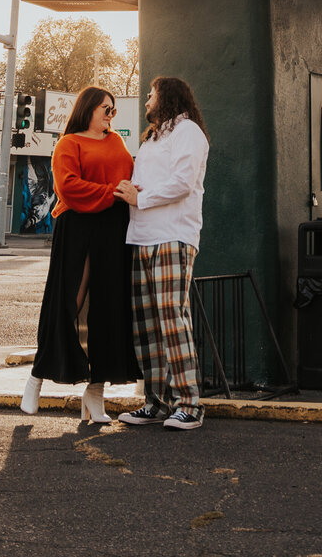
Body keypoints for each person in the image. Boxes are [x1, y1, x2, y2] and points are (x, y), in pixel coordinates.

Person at [21, 86, 140, 423]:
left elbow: (129, 178)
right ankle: (35, 379)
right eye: (106, 108)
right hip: (79, 228)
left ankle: (95, 393)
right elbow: (67, 187)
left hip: (114, 229)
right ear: (88, 108)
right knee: (69, 301)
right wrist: (112, 193)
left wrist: (126, 193)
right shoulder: (69, 144)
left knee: (108, 306)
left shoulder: (116, 142)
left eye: (113, 110)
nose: (110, 115)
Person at [116, 75, 210, 431]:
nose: (146, 101)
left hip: (173, 235)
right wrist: (132, 189)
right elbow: (153, 182)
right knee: (147, 325)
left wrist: (141, 197)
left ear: (168, 97)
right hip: (141, 236)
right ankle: (156, 402)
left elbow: (183, 183)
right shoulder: (154, 138)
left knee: (172, 318)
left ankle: (190, 404)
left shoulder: (188, 133)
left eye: (151, 95)